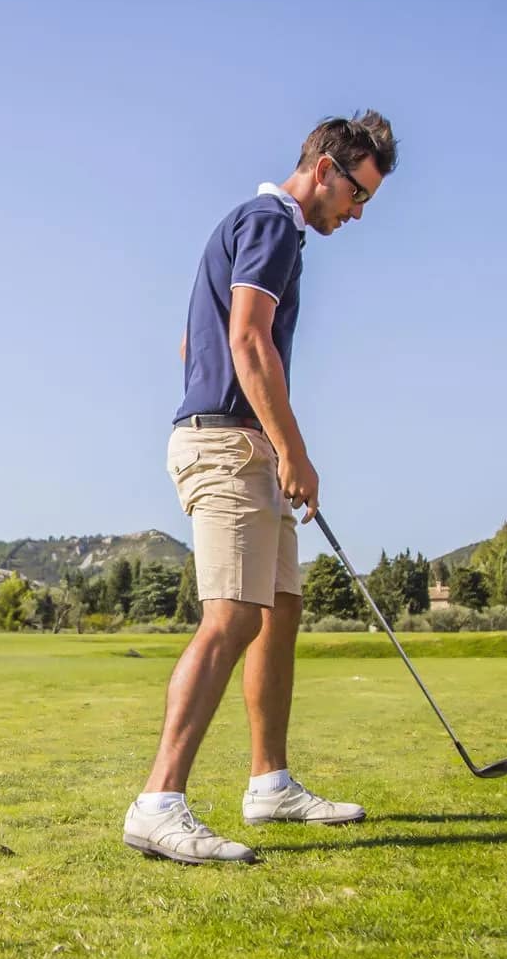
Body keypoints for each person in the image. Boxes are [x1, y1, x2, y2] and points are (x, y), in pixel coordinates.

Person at [122, 111, 398, 865]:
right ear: (324, 169)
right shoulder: (272, 223)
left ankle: (269, 781)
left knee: (278, 610)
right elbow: (245, 339)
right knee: (233, 616)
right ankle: (158, 801)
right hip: (231, 445)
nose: (359, 212)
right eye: (358, 194)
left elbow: (197, 342)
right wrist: (291, 448)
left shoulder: (262, 228)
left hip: (240, 438)